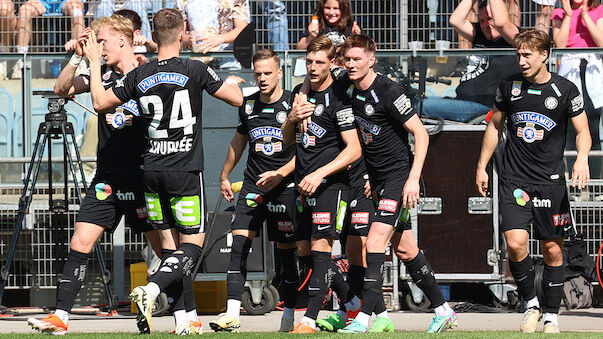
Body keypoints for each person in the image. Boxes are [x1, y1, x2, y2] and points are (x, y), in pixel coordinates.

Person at [80, 8, 244, 334]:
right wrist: (229, 81)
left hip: (150, 172)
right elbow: (237, 100)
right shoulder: (195, 69)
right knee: (192, 246)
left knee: (169, 248)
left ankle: (185, 321)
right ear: (182, 34)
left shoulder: (139, 75)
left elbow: (99, 102)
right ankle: (152, 289)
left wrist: (95, 64)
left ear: (153, 38)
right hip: (184, 170)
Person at [26, 14, 162, 336]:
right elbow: (61, 89)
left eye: (103, 41)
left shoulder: (146, 74)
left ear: (122, 40)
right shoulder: (100, 76)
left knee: (164, 250)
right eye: (96, 41)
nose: (98, 47)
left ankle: (187, 316)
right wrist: (77, 58)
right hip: (108, 178)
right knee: (81, 241)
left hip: (142, 177)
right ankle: (60, 317)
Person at [321, 34, 455, 333]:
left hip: (398, 178)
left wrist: (413, 180)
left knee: (375, 243)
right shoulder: (347, 84)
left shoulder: (389, 91)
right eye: (348, 59)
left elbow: (420, 134)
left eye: (357, 59)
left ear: (372, 59)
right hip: (376, 180)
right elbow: (318, 78)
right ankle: (443, 310)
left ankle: (366, 318)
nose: (351, 64)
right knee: (406, 250)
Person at [476, 29, 591, 333]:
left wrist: (580, 159)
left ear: (544, 55)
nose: (522, 61)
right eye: (518, 55)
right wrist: (481, 166)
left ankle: (552, 314)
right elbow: (494, 128)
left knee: (553, 250)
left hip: (550, 182)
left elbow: (583, 132)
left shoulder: (565, 90)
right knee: (515, 243)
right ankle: (531, 304)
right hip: (514, 179)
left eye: (527, 54)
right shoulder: (509, 88)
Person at [208, 49, 298, 333]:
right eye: (257, 73)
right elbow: (239, 142)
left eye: (267, 73)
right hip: (252, 185)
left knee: (286, 253)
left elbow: (307, 152)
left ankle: (290, 316)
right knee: (238, 247)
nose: (262, 78)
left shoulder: (294, 103)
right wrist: (224, 175)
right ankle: (232, 314)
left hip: (284, 187)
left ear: (279, 72)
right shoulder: (247, 106)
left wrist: (281, 173)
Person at [282, 35, 362, 334]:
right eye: (309, 62)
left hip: (331, 185)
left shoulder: (339, 98)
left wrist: (321, 174)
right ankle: (351, 301)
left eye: (319, 62)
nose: (313, 68)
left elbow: (353, 149)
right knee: (304, 250)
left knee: (321, 249)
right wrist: (291, 117)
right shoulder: (300, 94)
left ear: (332, 64)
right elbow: (287, 139)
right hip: (303, 184)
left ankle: (310, 319)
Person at [421, 0, 519, 122]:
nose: (486, 25)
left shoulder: (514, 38)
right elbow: (455, 20)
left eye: (490, 19)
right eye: (482, 20)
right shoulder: (479, 34)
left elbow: (501, 23)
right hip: (462, 101)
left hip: (484, 107)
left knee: (420, 106)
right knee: (414, 101)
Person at [552, 0, 603, 178]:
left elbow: (601, 40)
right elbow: (560, 44)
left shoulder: (598, 10)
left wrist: (585, 15)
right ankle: (575, 185)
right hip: (569, 71)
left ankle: (595, 184)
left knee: (593, 130)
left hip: (592, 72)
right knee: (571, 132)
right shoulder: (558, 13)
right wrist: (568, 15)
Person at [12, 0, 85, 79]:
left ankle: (79, 59)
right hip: (41, 2)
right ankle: (21, 60)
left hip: (67, 1)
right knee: (24, 11)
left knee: (77, 11)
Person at [178, 0, 250, 62]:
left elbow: (243, 30)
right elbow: (178, 35)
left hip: (227, 60)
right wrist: (189, 39)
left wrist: (220, 39)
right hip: (196, 61)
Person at [296, 0, 361, 50]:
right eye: (327, 8)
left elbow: (368, 48)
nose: (331, 13)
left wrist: (356, 38)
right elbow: (299, 49)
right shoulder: (317, 24)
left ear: (344, 9)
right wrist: (311, 36)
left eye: (336, 8)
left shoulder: (350, 25)